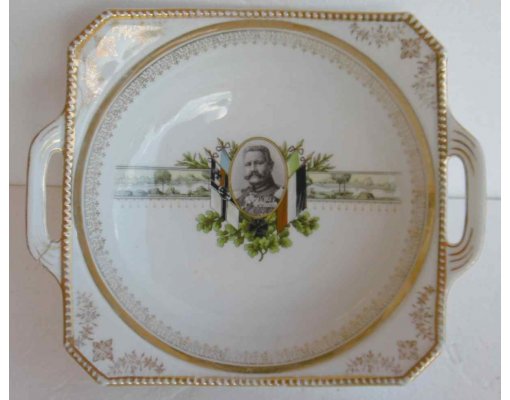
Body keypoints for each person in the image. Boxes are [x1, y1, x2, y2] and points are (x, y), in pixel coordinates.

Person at [236, 145, 282, 216]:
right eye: (248, 164)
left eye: (259, 163)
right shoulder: (240, 196)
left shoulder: (280, 196)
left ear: (270, 166)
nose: (253, 169)